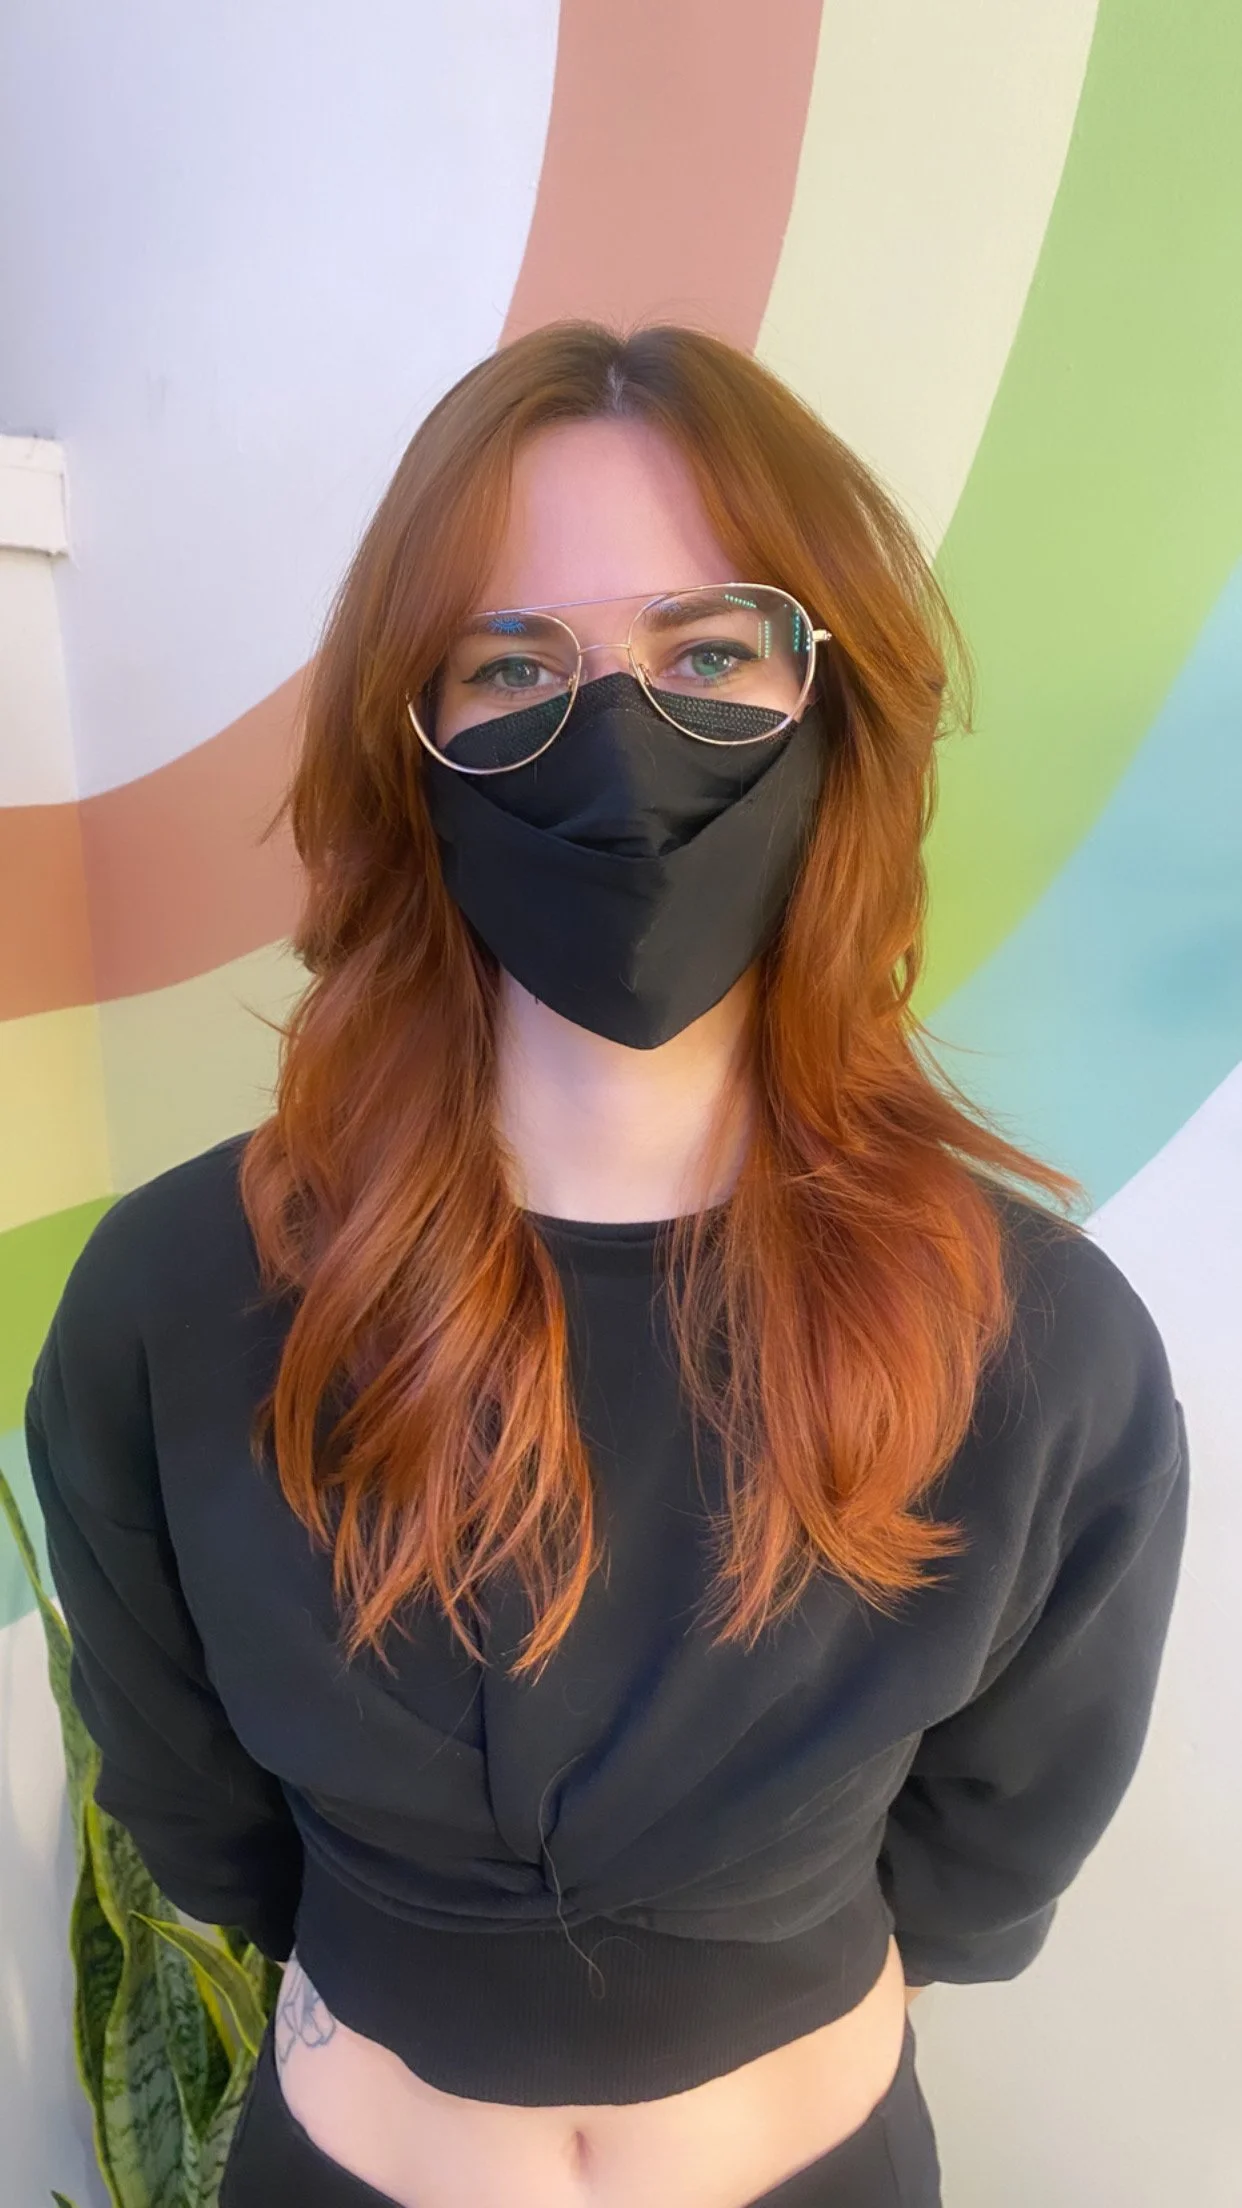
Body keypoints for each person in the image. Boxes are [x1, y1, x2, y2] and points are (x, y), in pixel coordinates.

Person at [25, 321, 1189, 2208]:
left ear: (833, 705)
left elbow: (990, 1855)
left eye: (708, 650)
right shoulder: (170, 1306)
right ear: (408, 738)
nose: (615, 735)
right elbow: (199, 1818)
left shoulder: (1034, 1337)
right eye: (513, 665)